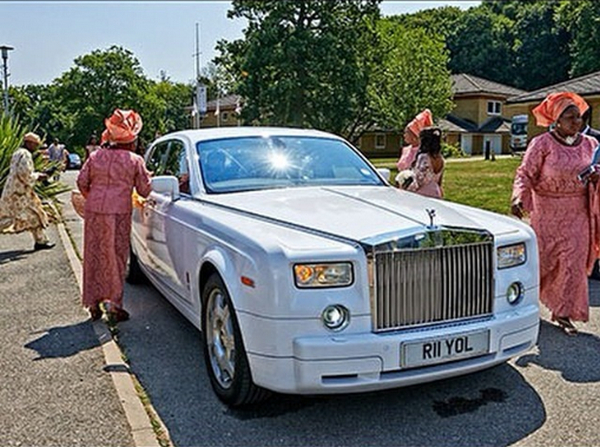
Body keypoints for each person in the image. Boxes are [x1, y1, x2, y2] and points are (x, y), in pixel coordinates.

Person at [511, 91, 598, 335]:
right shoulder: (542, 144)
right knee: (544, 262)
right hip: (546, 211)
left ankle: (564, 313)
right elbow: (525, 173)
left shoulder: (591, 144)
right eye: (570, 117)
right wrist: (519, 197)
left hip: (578, 211)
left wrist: (596, 176)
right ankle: (523, 304)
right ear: (556, 120)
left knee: (573, 263)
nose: (576, 122)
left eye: (578, 117)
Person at [76, 109, 152, 322]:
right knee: (116, 258)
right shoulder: (134, 160)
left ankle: (93, 304)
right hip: (118, 212)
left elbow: (81, 182)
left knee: (93, 256)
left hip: (94, 211)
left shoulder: (95, 156)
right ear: (131, 140)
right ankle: (114, 304)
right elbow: (145, 190)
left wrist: (94, 198)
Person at [0, 132, 55, 250]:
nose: (36, 148)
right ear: (29, 143)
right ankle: (41, 241)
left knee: (35, 214)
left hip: (17, 190)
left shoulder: (17, 152)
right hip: (19, 193)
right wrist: (40, 176)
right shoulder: (25, 155)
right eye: (35, 144)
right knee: (10, 218)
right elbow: (25, 174)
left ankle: (41, 241)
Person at [405, 126, 445, 198]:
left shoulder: (424, 157)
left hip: (423, 193)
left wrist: (406, 190)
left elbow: (419, 180)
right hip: (436, 191)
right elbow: (439, 181)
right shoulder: (440, 158)